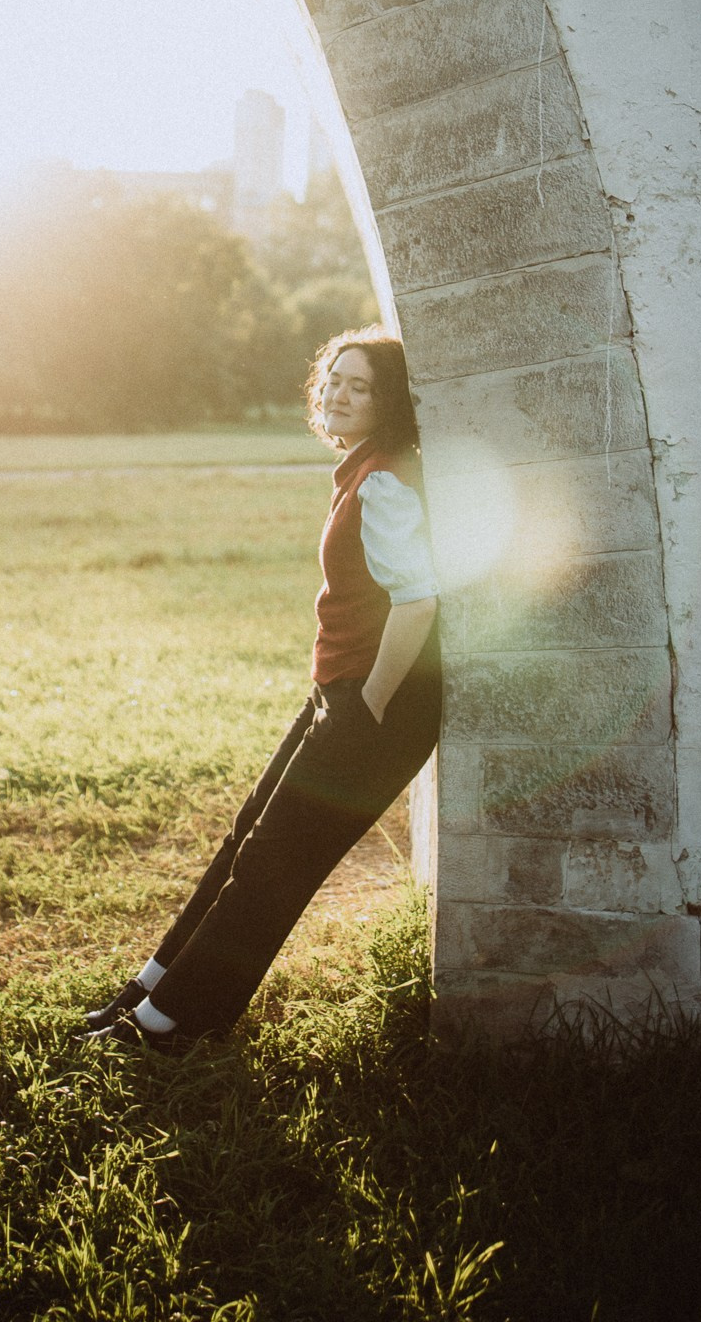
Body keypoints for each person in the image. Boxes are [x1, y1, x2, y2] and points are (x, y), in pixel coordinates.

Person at [81, 326, 442, 1050]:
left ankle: (167, 1028)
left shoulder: (386, 482)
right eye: (333, 379)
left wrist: (368, 704)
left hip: (379, 705)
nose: (337, 393)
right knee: (246, 843)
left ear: (389, 402)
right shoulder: (365, 470)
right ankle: (153, 984)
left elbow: (418, 601)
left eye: (359, 385)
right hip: (342, 692)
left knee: (274, 867)